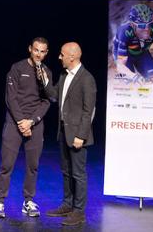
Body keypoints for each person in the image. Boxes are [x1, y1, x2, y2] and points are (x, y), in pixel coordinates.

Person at [0, 37, 53, 218]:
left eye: (42, 51)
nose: (39, 54)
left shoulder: (47, 72)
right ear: (30, 49)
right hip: (14, 122)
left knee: (32, 166)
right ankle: (0, 202)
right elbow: (10, 98)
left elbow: (47, 101)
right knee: (7, 164)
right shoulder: (17, 68)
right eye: (36, 50)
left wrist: (31, 121)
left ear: (46, 53)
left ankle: (28, 201)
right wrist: (21, 121)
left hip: (35, 124)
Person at [44, 42, 96, 226]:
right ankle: (67, 205)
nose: (59, 57)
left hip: (77, 136)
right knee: (66, 171)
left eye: (62, 54)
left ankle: (79, 211)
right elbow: (54, 95)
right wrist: (44, 79)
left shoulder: (86, 79)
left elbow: (88, 111)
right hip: (64, 133)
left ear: (72, 57)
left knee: (78, 174)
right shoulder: (64, 75)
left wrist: (81, 136)